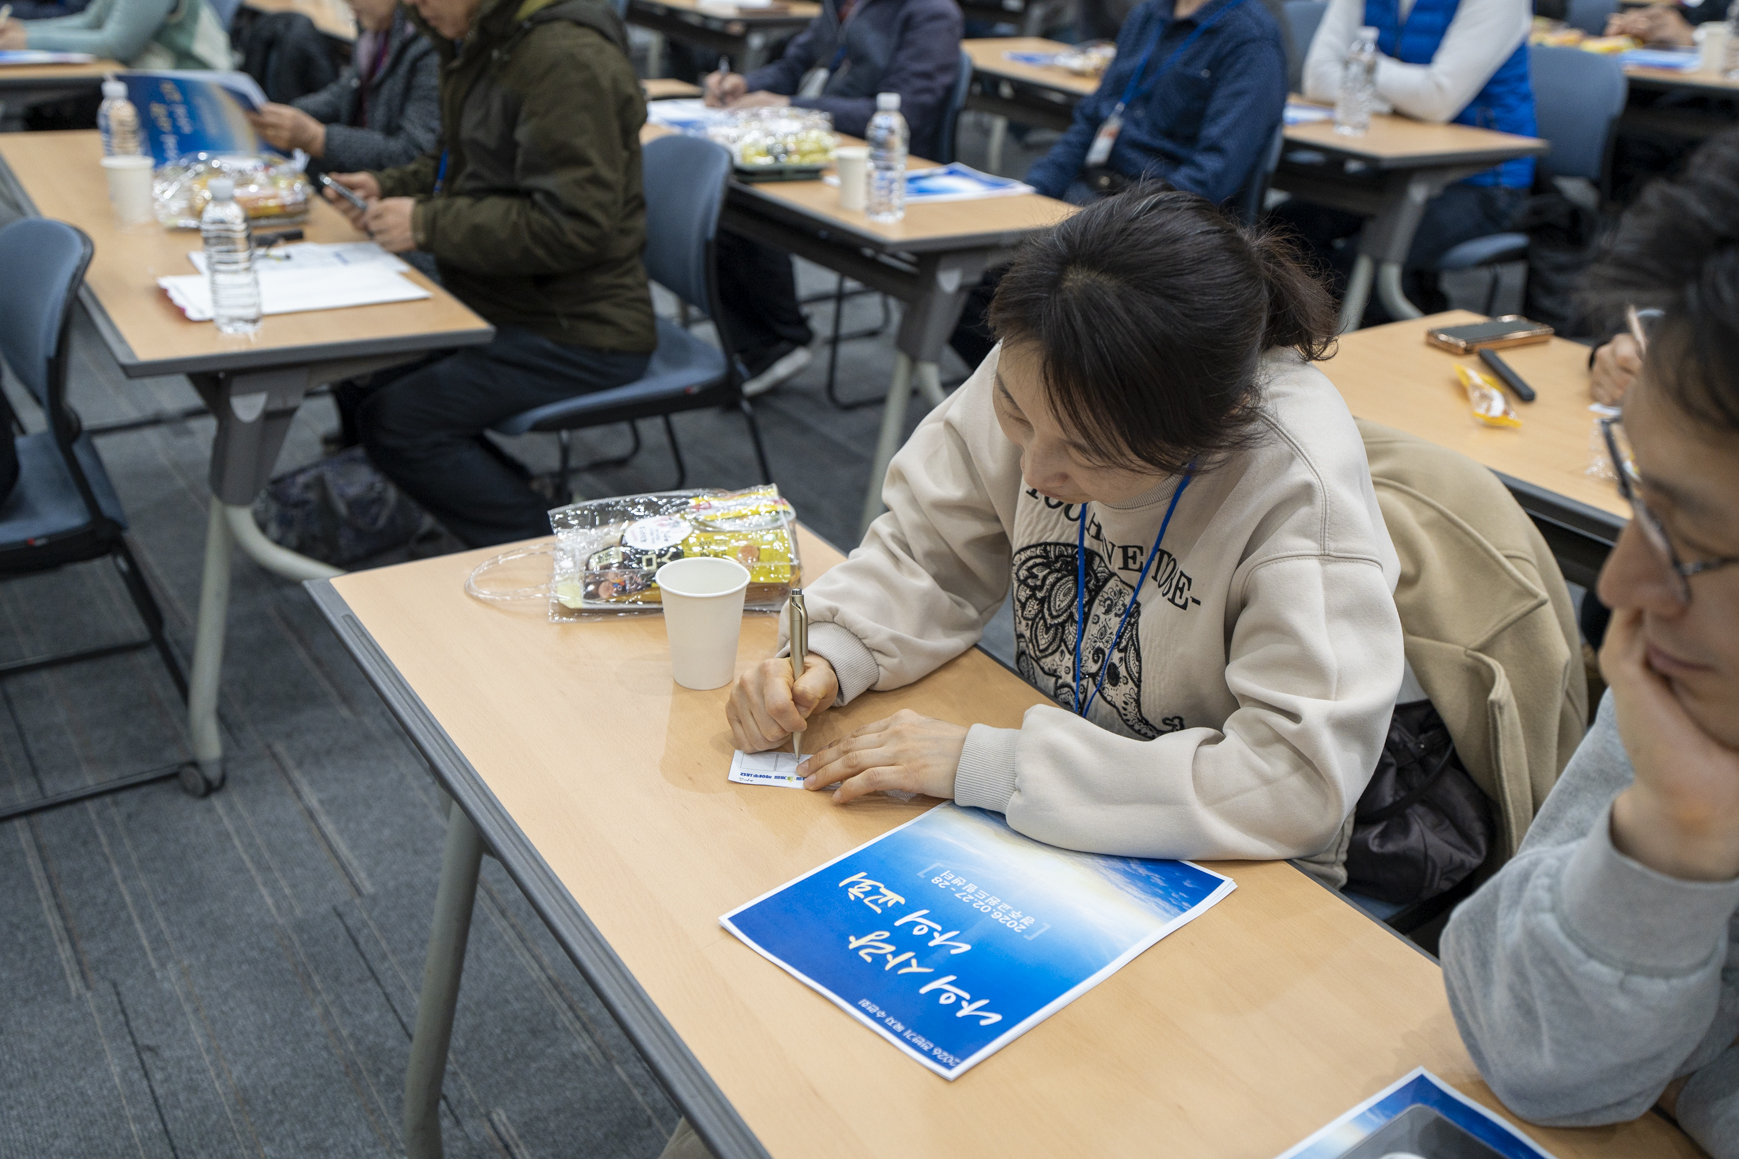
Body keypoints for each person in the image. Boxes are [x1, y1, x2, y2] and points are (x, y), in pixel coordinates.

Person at [727, 187, 1405, 886]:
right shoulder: (1046, 360)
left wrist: (996, 765)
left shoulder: (1298, 493)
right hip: (1061, 784)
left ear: (1218, 423)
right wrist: (834, 648)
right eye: (1015, 415)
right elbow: (931, 554)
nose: (1034, 472)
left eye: (1090, 452)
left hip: (1227, 850)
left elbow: (1292, 781)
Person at [1439, 131, 1739, 1159]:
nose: (1617, 590)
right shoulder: (1692, 674)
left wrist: (1691, 1063)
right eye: (1639, 501)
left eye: (1691, 536)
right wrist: (1675, 835)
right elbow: (1526, 1046)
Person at [321, 0, 654, 548]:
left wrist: (426, 224)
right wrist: (389, 186)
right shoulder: (486, 41)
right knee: (367, 377)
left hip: (581, 327)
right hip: (506, 297)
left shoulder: (564, 59)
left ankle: (547, 548)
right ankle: (525, 498)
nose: (416, 8)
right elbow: (459, 164)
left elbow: (572, 226)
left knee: (398, 422)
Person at [950, 0, 1286, 368]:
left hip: (1156, 225)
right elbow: (1091, 120)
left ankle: (1059, 387)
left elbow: (1212, 175)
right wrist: (1030, 193)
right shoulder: (1149, 13)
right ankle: (1039, 385)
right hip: (1090, 194)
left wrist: (1114, 223)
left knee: (993, 286)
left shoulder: (1250, 40)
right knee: (959, 267)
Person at [699, 0, 962, 396]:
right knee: (716, 195)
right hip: (817, 146)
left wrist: (792, 106)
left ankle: (779, 338)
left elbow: (907, 111)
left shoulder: (930, 12)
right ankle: (769, 340)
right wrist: (747, 84)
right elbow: (793, 66)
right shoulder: (839, 5)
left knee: (737, 204)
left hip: (881, 168)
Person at [1282, 0, 1536, 320]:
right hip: (1396, 166)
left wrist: (1363, 65)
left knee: (1362, 266)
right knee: (1285, 232)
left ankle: (1395, 337)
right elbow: (1318, 78)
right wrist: (1402, 98)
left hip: (1484, 181)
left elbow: (1436, 97)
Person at [249, 0, 439, 178]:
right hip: (361, 180)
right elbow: (347, 91)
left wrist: (318, 139)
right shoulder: (374, 30)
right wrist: (287, 116)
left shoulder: (432, 43)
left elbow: (412, 154)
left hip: (386, 188)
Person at [0, 0, 230, 68]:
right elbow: (90, 22)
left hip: (194, 90)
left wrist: (28, 40)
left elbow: (117, 45)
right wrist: (22, 29)